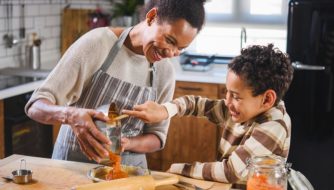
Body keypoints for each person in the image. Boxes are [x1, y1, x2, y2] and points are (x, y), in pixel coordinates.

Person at [25, 0, 206, 168]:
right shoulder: (98, 43)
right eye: (169, 40)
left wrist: (127, 144)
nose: (170, 52)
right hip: (74, 167)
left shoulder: (165, 72)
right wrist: (70, 115)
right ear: (151, 17)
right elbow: (35, 106)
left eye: (180, 49)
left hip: (130, 173)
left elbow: (157, 137)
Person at [123, 44, 294, 186]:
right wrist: (166, 110)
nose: (227, 101)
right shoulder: (244, 109)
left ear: (267, 99)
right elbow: (196, 104)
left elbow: (230, 171)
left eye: (235, 96)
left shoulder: (274, 125)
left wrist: (180, 169)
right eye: (227, 92)